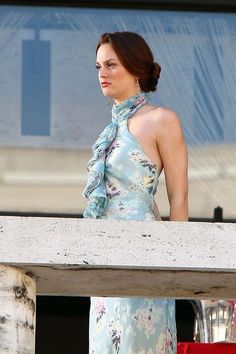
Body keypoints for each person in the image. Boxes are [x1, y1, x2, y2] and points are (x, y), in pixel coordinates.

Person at [83, 31, 188, 354]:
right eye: (99, 66)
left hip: (144, 249)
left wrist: (177, 263)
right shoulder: (109, 129)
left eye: (111, 65)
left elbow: (179, 198)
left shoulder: (162, 119)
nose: (102, 73)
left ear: (136, 68)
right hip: (104, 254)